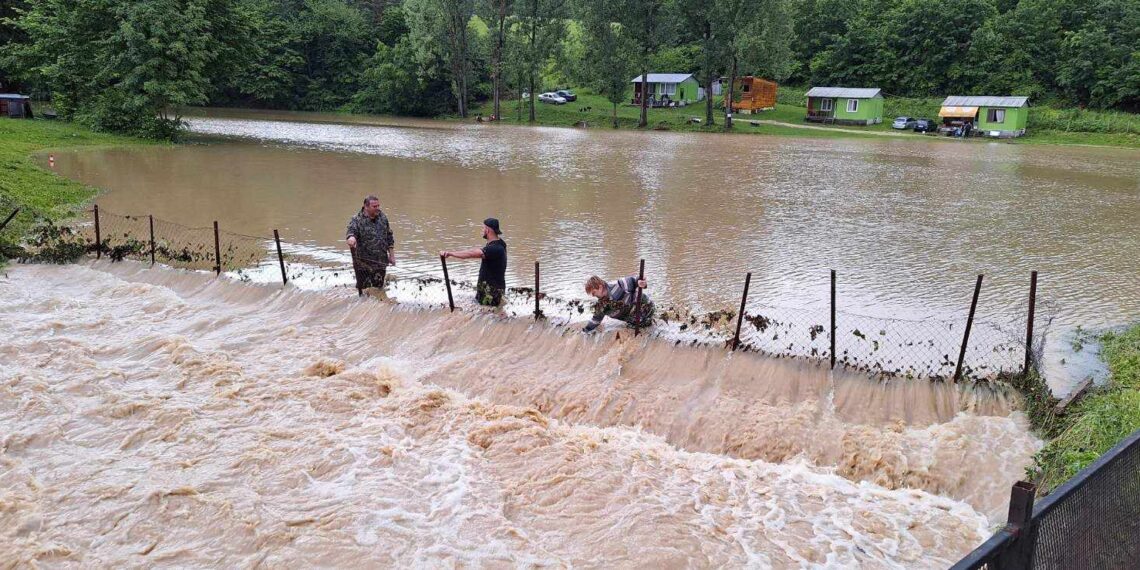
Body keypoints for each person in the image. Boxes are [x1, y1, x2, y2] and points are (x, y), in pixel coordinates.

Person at [440, 218, 507, 307]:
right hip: (492, 290)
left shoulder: (495, 248)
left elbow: (471, 254)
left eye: (483, 228)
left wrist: (451, 253)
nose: (482, 230)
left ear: (487, 230)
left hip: (490, 292)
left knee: (486, 315)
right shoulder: (501, 243)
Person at [345, 195, 395, 295]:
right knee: (364, 291)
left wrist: (392, 255)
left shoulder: (383, 217)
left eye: (378, 206)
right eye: (374, 206)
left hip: (380, 262)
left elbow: (389, 236)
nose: (377, 208)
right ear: (366, 206)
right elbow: (351, 232)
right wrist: (351, 238)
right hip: (364, 264)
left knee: (378, 290)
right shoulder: (357, 219)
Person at [582, 274, 654, 333]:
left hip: (645, 308)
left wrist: (641, 281)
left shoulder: (618, 285)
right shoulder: (601, 305)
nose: (593, 295)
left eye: (594, 292)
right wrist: (585, 330)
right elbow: (596, 320)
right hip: (633, 320)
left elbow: (634, 280)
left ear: (600, 287)